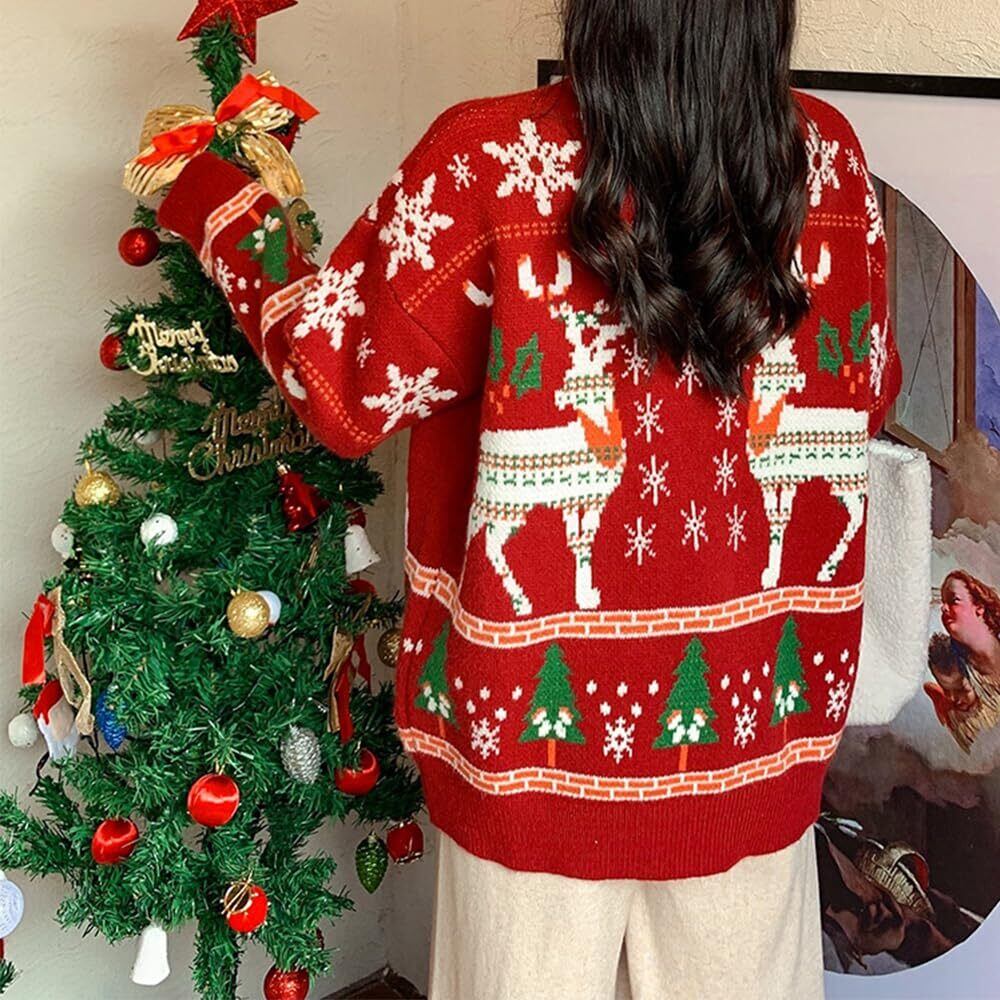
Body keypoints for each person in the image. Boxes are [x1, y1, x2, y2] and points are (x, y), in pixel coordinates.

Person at [155, 1, 903, 996]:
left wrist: (217, 197)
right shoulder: (830, 161)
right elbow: (869, 387)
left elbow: (337, 383)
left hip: (532, 753)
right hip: (754, 737)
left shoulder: (488, 160)